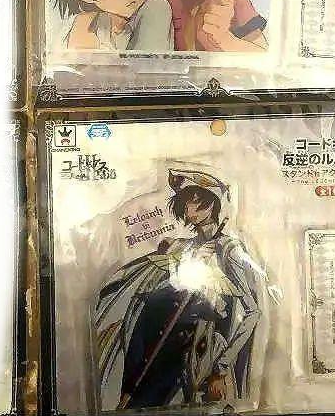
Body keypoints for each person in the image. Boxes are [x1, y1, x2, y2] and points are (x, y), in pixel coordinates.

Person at [94, 169, 264, 410]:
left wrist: (222, 366)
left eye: (197, 203)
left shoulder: (229, 250)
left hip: (197, 348)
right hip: (158, 342)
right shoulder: (183, 247)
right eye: (186, 203)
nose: (190, 210)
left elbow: (252, 312)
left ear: (213, 205)